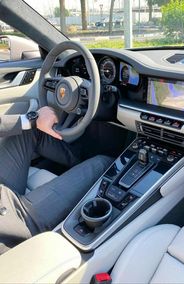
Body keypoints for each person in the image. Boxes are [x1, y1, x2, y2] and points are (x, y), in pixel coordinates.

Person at [0, 106, 113, 254]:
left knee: (30, 129)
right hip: (13, 221)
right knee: (103, 163)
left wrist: (31, 119)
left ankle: (81, 160)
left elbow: (31, 122)